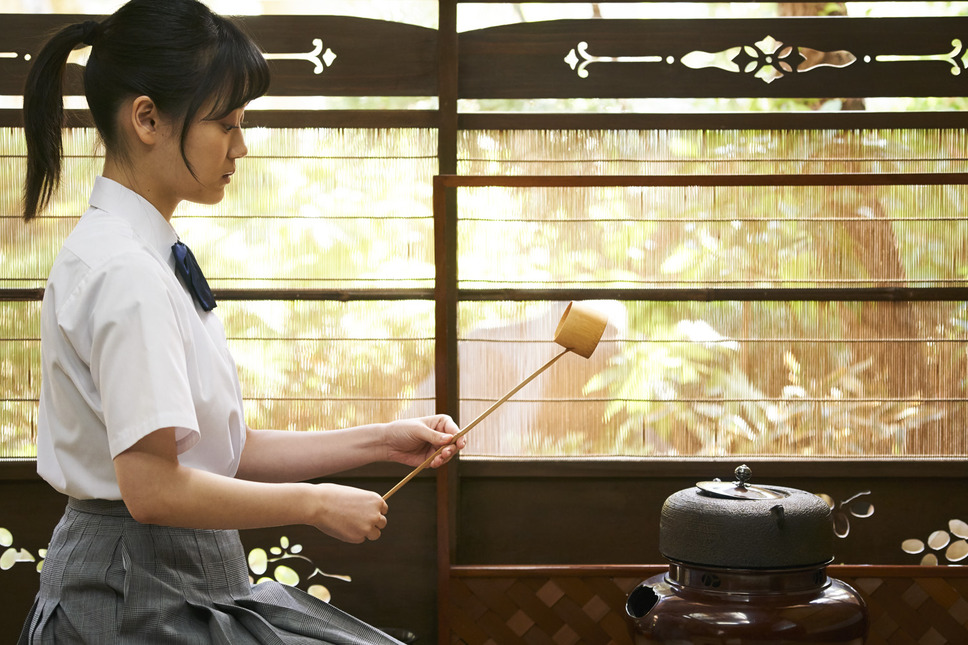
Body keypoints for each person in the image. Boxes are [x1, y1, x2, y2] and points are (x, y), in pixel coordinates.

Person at [18, 1, 463, 643]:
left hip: (178, 578)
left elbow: (226, 449)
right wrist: (315, 503)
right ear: (146, 118)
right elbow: (152, 489)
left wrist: (380, 441)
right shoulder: (124, 271)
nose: (241, 146)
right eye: (225, 124)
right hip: (133, 593)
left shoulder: (144, 254)